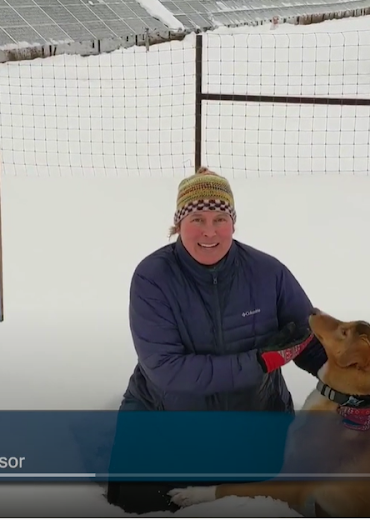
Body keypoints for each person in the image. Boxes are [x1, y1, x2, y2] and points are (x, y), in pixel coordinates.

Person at [105, 168, 328, 513]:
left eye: (220, 218)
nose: (209, 232)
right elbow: (167, 370)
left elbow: (309, 337)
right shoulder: (153, 278)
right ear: (179, 223)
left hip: (256, 420)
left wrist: (352, 383)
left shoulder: (268, 273)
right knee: (137, 507)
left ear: (233, 223)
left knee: (279, 505)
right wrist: (259, 362)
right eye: (197, 218)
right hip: (165, 424)